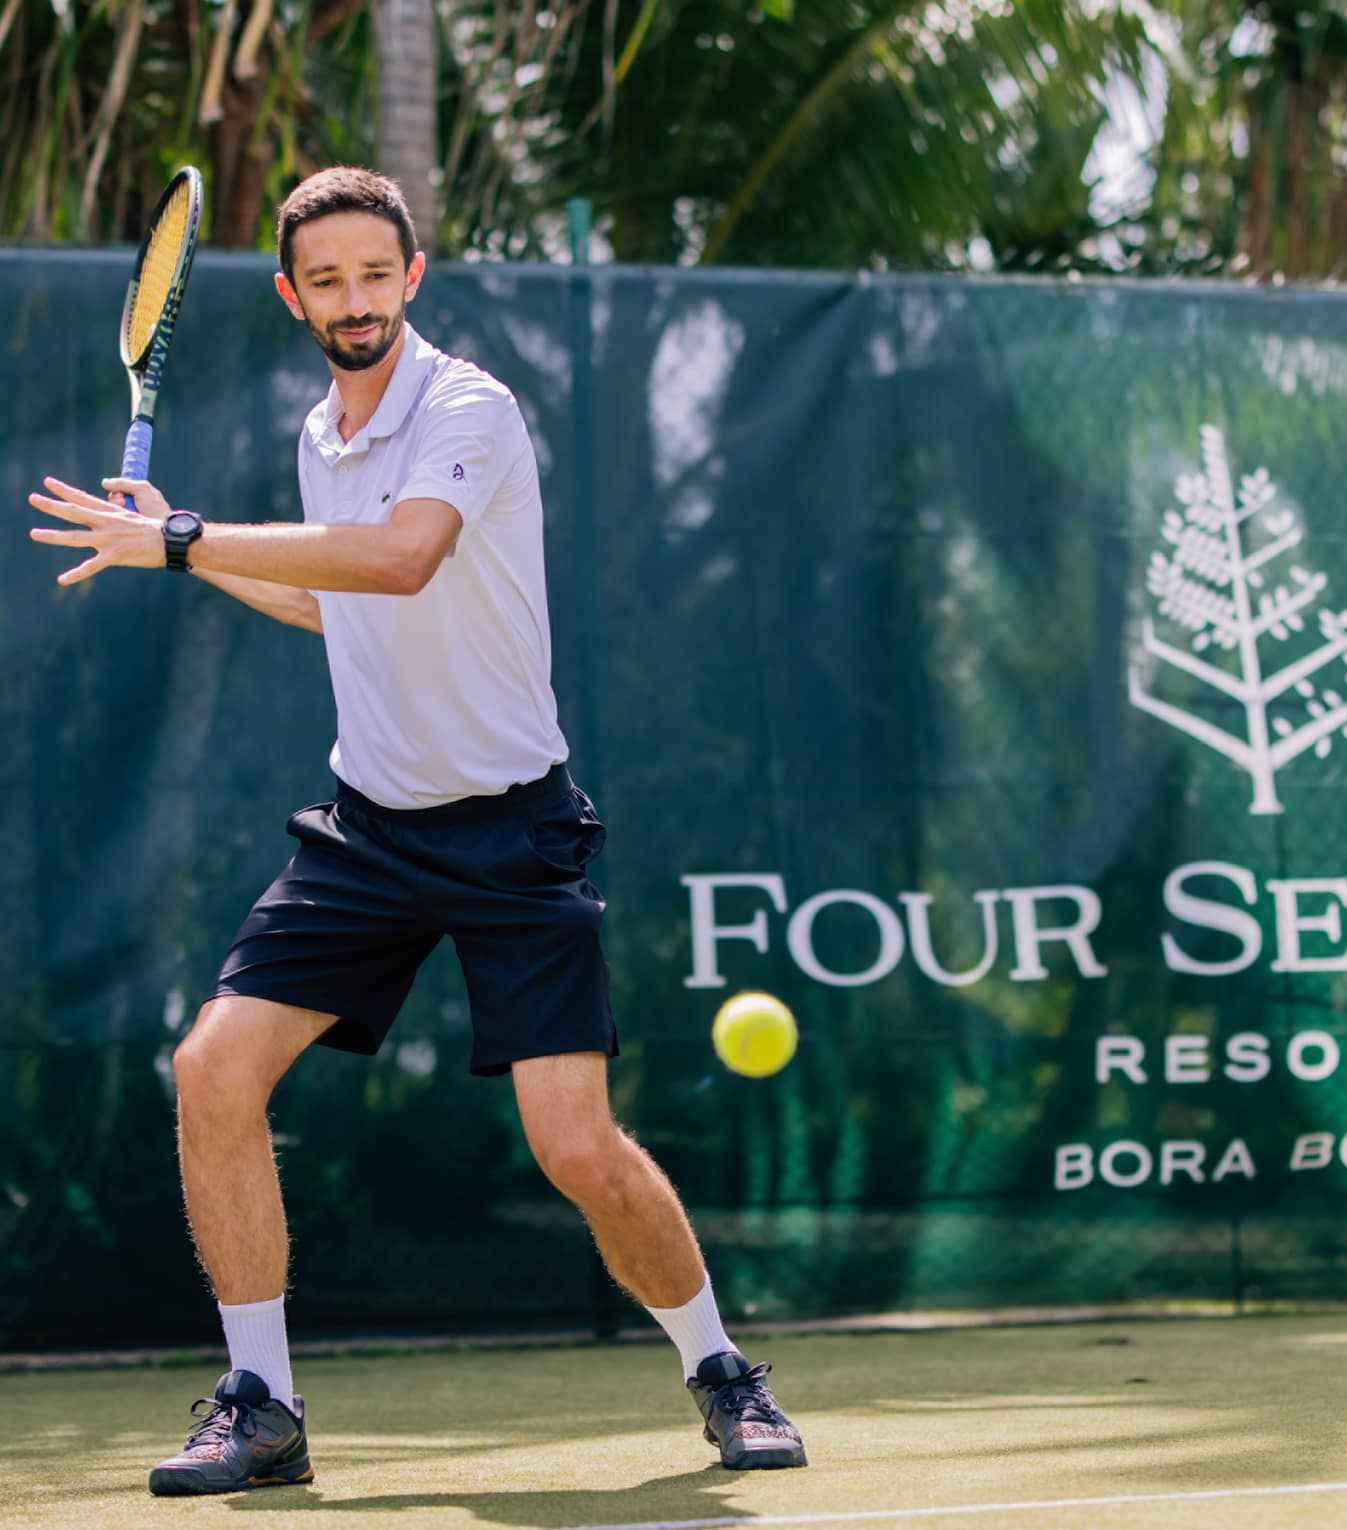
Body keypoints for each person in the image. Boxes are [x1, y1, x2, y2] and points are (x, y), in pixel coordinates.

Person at [27, 166, 807, 1497]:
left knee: (575, 1147)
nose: (354, 301)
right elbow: (345, 607)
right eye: (325, 281)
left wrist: (187, 540)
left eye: (374, 275)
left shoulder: (469, 407)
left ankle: (721, 1366)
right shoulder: (317, 438)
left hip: (514, 832)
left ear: (412, 277)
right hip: (367, 832)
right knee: (214, 1070)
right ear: (292, 296)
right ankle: (263, 1402)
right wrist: (198, 551)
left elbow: (399, 559)